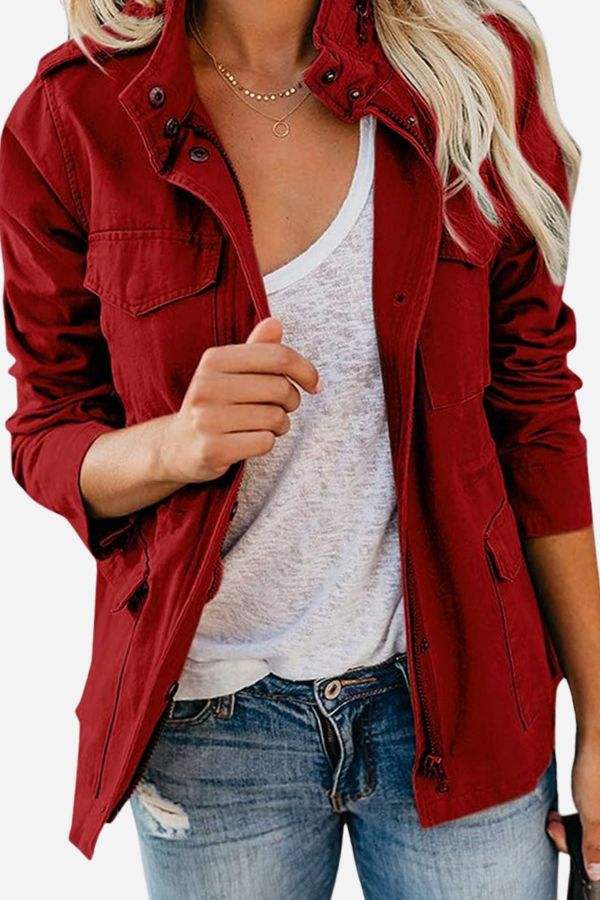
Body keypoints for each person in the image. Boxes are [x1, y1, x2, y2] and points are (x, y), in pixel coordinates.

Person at [1, 1, 598, 897]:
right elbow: (47, 429)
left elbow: (536, 414)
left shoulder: (471, 70)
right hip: (212, 726)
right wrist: (174, 447)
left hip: (464, 698)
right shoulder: (74, 115)